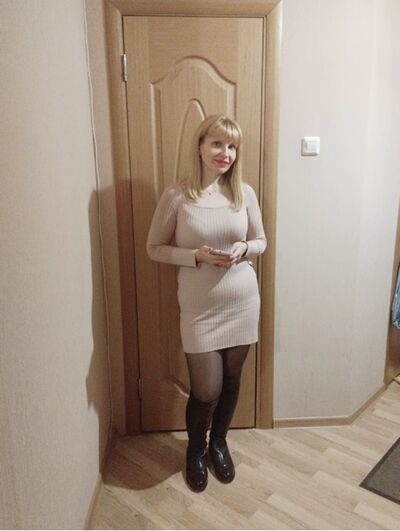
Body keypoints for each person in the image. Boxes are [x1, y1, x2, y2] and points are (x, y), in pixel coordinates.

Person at [146, 115, 267, 492]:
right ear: (199, 146)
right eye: (217, 143)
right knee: (206, 390)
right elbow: (154, 248)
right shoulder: (177, 196)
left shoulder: (243, 193)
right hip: (200, 310)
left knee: (232, 380)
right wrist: (194, 256)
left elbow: (261, 241)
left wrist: (244, 248)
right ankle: (195, 451)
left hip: (242, 301)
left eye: (232, 147)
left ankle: (219, 444)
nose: (225, 153)